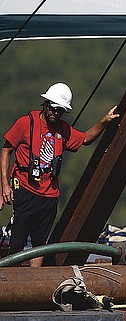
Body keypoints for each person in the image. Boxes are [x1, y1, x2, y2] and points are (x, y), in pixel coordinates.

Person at [0, 83, 119, 267]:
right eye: (54, 109)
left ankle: (34, 285)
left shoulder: (62, 130)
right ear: (45, 104)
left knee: (40, 245)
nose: (56, 113)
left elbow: (85, 138)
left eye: (61, 111)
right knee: (18, 242)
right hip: (25, 189)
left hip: (49, 196)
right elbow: (6, 151)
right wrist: (4, 186)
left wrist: (104, 121)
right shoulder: (26, 123)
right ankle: (12, 282)